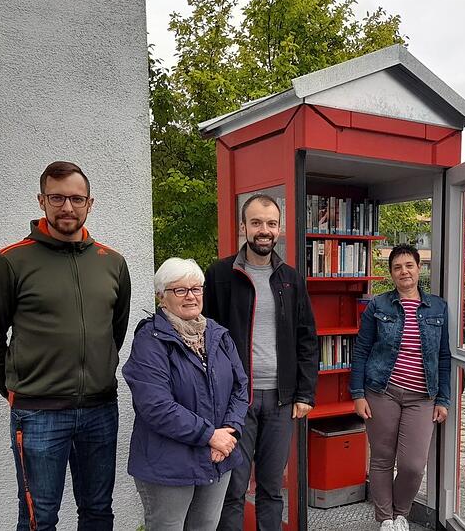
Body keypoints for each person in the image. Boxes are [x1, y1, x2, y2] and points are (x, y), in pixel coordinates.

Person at [0, 160, 131, 530]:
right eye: (57, 198)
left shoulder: (112, 263)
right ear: (41, 200)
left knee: (97, 511)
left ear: (90, 204)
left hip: (100, 410)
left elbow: (113, 332)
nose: (67, 207)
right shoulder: (11, 261)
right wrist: (18, 389)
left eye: (77, 199)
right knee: (38, 517)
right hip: (38, 413)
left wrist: (95, 372)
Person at [203, 194, 319, 531]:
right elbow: (207, 338)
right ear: (243, 227)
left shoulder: (291, 279)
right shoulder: (220, 275)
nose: (263, 230)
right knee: (233, 489)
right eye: (256, 223)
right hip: (236, 401)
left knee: (271, 488)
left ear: (279, 229)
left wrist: (305, 394)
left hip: (282, 401)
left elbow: (307, 338)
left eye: (270, 223)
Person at [123, 257, 249, 531]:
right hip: (168, 463)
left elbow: (241, 386)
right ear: (161, 297)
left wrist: (230, 430)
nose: (191, 296)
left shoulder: (218, 335)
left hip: (218, 456)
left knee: (205, 526)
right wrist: (211, 436)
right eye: (180, 290)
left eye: (197, 288)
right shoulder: (150, 341)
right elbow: (156, 406)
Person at [350, 244, 451, 531]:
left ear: (419, 269)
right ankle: (385, 519)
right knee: (382, 458)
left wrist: (443, 399)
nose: (404, 271)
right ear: (391, 274)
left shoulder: (438, 307)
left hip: (422, 397)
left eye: (409, 265)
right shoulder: (378, 305)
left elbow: (444, 356)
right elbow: (361, 350)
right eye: (397, 267)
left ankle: (400, 512)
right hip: (382, 391)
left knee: (413, 464)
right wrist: (358, 394)